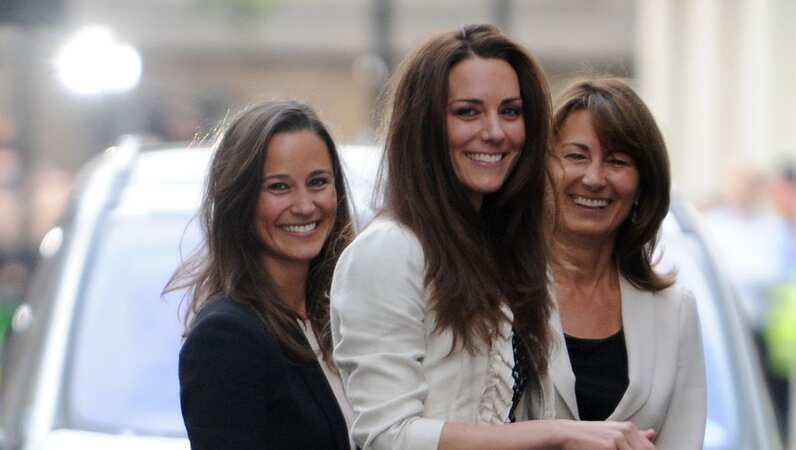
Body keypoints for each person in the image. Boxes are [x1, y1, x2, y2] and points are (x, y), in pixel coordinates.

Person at [330, 25, 657, 450]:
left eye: (510, 112)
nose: (495, 132)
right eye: (468, 112)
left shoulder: (506, 251)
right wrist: (556, 433)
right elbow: (387, 436)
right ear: (425, 125)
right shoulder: (390, 251)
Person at [167, 100, 355, 450]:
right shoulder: (226, 336)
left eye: (317, 182)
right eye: (279, 187)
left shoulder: (336, 319)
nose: (304, 205)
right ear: (239, 199)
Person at [546, 78, 706, 449]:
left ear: (642, 187)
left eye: (617, 161)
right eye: (576, 156)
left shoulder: (674, 311)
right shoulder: (500, 292)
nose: (594, 178)